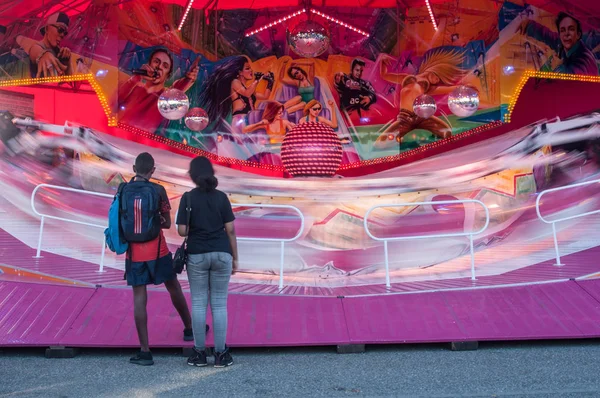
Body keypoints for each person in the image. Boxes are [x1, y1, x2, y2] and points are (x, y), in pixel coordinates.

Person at [125, 153, 193, 366]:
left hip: (133, 252)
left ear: (133, 167)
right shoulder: (158, 190)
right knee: (173, 287)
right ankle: (189, 329)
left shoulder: (122, 190)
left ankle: (145, 351)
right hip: (158, 250)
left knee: (139, 297)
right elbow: (166, 224)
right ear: (152, 171)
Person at [177, 156, 239, 368]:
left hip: (197, 254)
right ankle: (221, 354)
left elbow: (182, 231)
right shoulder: (221, 197)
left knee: (198, 303)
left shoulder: (188, 198)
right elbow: (230, 230)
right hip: (222, 253)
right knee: (219, 304)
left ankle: (199, 353)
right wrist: (235, 258)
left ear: (192, 175)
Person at [376, 48, 469, 147]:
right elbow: (384, 75)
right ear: (433, 71)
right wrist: (382, 60)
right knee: (380, 143)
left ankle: (431, 147)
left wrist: (464, 87)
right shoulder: (407, 78)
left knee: (446, 132)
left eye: (438, 80)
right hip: (405, 117)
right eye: (437, 77)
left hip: (421, 116)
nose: (437, 81)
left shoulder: (428, 87)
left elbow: (448, 89)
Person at [118, 49, 199, 131]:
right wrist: (138, 76)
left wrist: (189, 78)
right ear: (148, 65)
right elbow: (116, 99)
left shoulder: (165, 96)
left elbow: (180, 86)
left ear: (167, 75)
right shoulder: (135, 86)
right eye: (156, 61)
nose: (159, 67)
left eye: (165, 66)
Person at [516, 12, 598, 76]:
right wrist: (529, 26)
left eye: (571, 29)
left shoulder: (585, 59)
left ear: (578, 34)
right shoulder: (565, 44)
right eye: (562, 30)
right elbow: (549, 36)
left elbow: (574, 81)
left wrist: (557, 66)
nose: (566, 34)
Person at [16, 12, 72, 78]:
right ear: (47, 29)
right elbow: (34, 50)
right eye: (60, 29)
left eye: (65, 33)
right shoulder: (37, 46)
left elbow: (69, 82)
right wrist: (42, 55)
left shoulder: (59, 53)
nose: (62, 35)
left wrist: (67, 63)